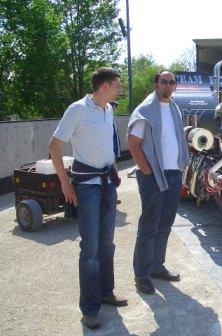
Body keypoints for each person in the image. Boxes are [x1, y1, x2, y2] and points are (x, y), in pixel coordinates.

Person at [48, 68, 127, 330]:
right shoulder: (78, 109)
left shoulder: (108, 109)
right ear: (105, 86)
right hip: (88, 188)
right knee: (90, 250)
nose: (119, 90)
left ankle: (106, 292)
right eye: (117, 86)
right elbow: (54, 146)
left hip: (107, 185)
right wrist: (65, 183)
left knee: (107, 244)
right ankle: (90, 309)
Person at [127, 70, 189, 294]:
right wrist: (147, 171)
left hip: (173, 174)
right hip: (154, 176)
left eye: (172, 82)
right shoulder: (145, 110)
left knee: (165, 224)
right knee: (149, 226)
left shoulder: (174, 109)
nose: (168, 86)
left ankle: (156, 266)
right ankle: (141, 274)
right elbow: (133, 144)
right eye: (164, 82)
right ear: (156, 84)